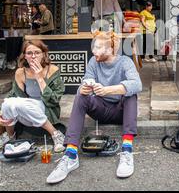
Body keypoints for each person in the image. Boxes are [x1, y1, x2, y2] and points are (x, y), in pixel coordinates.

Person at [46, 31, 142, 184]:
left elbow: (137, 84)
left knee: (131, 94)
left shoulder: (125, 62)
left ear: (110, 50)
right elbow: (86, 80)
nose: (93, 51)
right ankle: (70, 154)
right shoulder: (93, 62)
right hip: (100, 110)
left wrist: (108, 89)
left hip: (120, 111)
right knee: (80, 96)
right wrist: (84, 88)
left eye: (98, 47)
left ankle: (127, 150)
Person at [0, 40, 66, 153]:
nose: (33, 56)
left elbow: (54, 100)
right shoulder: (20, 72)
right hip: (26, 111)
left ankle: (56, 134)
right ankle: (10, 136)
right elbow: (13, 95)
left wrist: (39, 77)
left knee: (22, 104)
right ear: (25, 56)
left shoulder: (52, 70)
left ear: (43, 54)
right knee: (8, 103)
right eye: (29, 53)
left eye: (37, 52)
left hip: (46, 111)